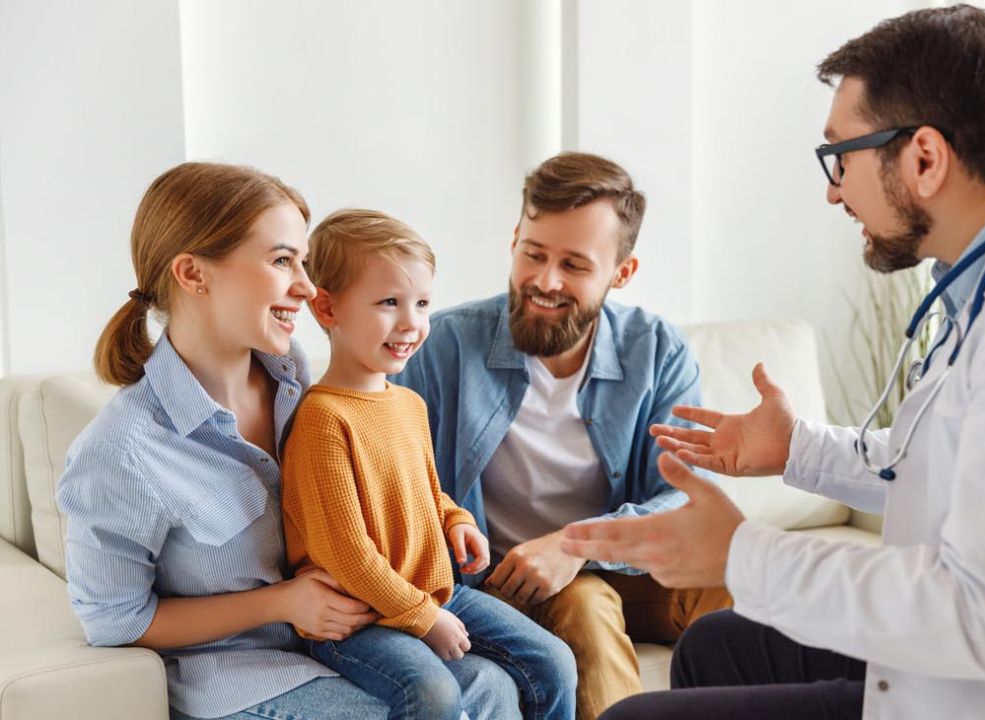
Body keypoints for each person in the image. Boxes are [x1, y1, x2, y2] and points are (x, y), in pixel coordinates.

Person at [560, 6, 985, 719]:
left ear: (924, 159)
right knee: (717, 644)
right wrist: (797, 448)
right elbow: (952, 463)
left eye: (841, 158)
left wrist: (742, 555)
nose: (833, 190)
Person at [56, 163, 518, 719]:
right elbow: (116, 621)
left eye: (302, 261)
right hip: (242, 675)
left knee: (492, 685)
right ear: (194, 273)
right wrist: (279, 602)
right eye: (282, 261)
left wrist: (447, 523)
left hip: (344, 640)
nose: (307, 286)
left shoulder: (292, 377)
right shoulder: (122, 452)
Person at [391, 152, 732, 719]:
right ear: (514, 241)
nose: (545, 281)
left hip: (626, 566)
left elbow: (684, 497)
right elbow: (392, 482)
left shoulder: (657, 350)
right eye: (534, 254)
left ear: (621, 273)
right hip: (506, 582)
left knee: (751, 583)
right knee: (585, 603)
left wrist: (577, 546)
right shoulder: (442, 347)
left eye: (574, 264)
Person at [282, 208, 576, 720]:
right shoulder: (322, 419)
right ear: (326, 308)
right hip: (356, 620)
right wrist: (423, 618)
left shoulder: (409, 404)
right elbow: (347, 555)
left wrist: (456, 520)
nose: (411, 323)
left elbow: (425, 492)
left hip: (433, 591)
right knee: (433, 691)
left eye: (421, 303)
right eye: (389, 303)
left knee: (555, 660)